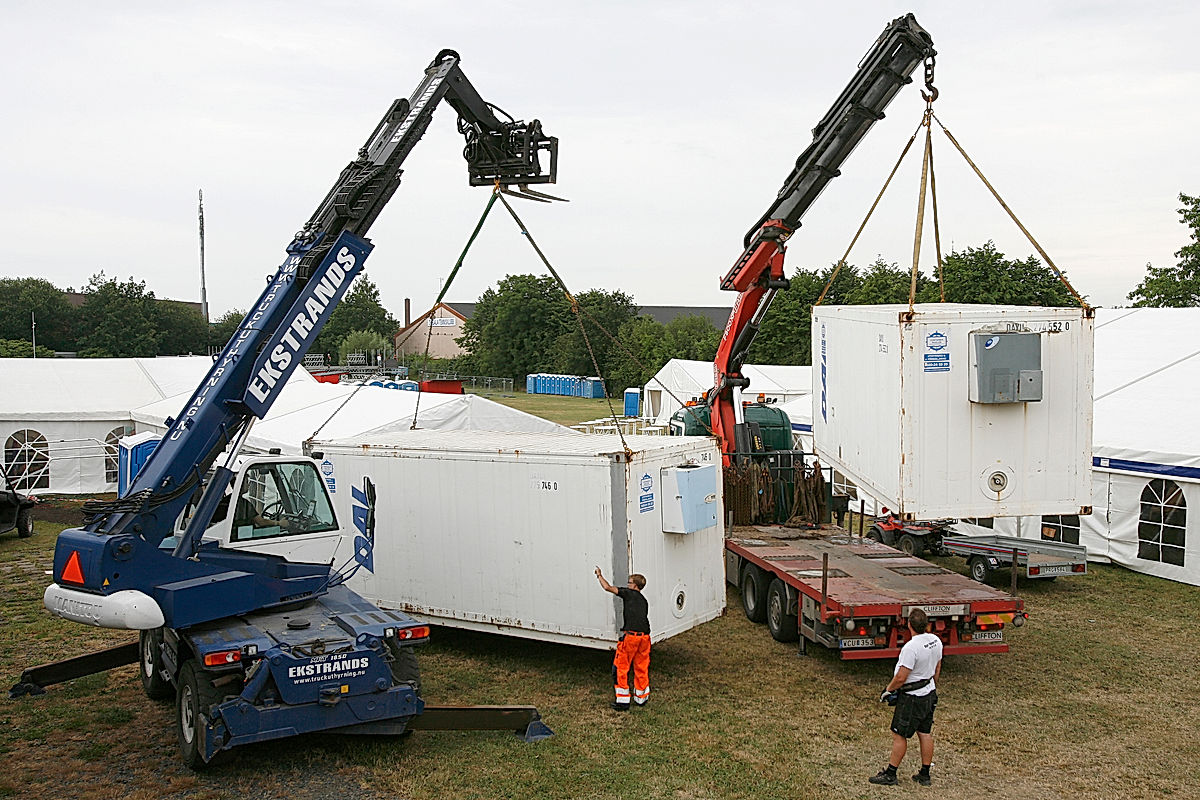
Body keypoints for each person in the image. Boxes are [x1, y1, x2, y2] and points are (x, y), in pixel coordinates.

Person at [869, 608, 943, 787]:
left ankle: (891, 774)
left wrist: (888, 690)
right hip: (929, 692)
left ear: (909, 625)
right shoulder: (935, 640)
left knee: (899, 734)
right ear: (927, 624)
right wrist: (932, 685)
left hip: (912, 697)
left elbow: (902, 677)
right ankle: (924, 774)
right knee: (924, 732)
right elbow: (937, 667)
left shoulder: (911, 648)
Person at [594, 567, 650, 711]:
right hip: (645, 638)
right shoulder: (643, 600)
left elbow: (607, 587)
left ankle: (623, 701)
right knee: (641, 667)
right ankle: (641, 698)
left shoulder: (628, 594)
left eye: (629, 582)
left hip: (631, 638)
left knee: (620, 667)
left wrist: (600, 575)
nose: (627, 584)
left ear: (635, 586)